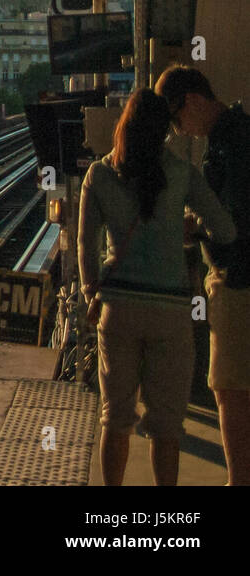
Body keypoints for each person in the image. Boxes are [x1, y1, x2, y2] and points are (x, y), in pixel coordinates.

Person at [78, 89, 237, 486]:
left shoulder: (99, 174)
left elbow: (86, 243)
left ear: (123, 126)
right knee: (166, 426)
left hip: (118, 310)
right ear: (165, 130)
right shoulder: (182, 173)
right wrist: (190, 229)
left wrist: (89, 292)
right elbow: (227, 230)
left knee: (115, 418)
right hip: (170, 312)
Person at [156, 65, 250, 484]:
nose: (180, 129)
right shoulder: (236, 132)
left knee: (228, 386)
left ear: (192, 100)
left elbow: (233, 220)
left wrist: (193, 227)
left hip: (237, 277)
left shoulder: (229, 145)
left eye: (177, 118)